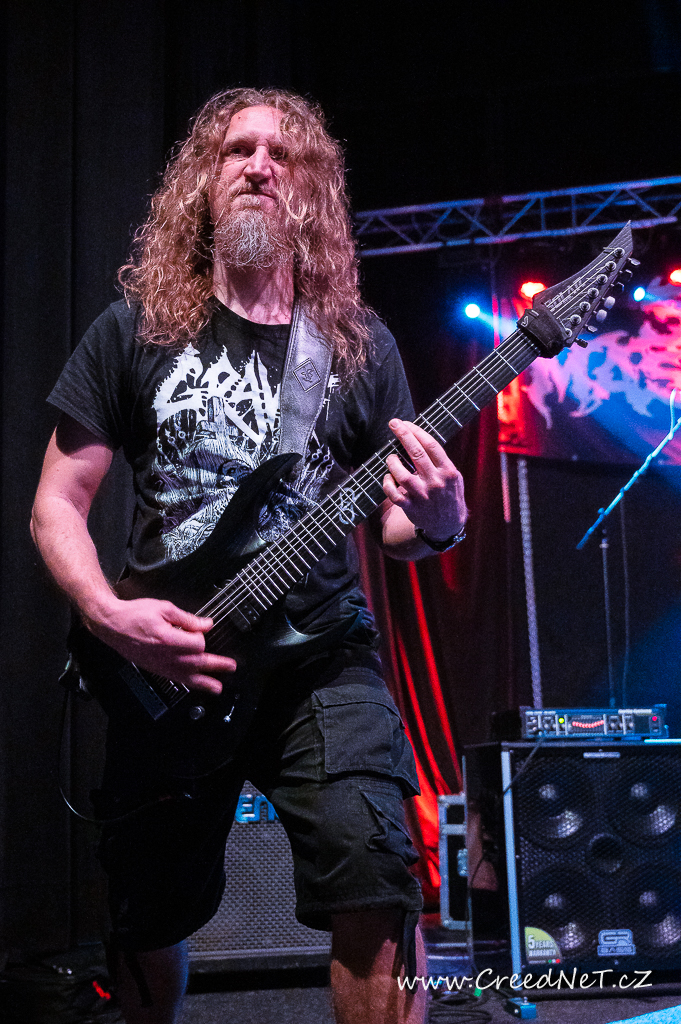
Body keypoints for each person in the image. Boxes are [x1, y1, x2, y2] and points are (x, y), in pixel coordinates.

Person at [31, 88, 468, 1024]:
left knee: (374, 872)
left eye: (284, 155)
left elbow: (398, 530)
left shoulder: (356, 345)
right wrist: (111, 616)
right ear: (203, 178)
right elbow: (56, 504)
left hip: (321, 654)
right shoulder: (135, 329)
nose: (261, 167)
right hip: (172, 658)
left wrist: (441, 517)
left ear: (311, 190)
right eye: (238, 150)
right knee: (149, 909)